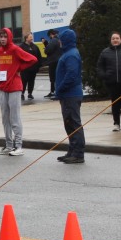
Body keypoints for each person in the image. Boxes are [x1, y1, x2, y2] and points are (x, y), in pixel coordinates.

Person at [0, 27, 38, 156]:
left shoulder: (15, 49)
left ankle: (18, 146)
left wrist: (19, 68)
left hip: (14, 87)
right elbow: (1, 64)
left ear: (9, 37)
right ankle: (8, 145)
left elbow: (33, 59)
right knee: (5, 118)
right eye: (1, 37)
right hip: (2, 87)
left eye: (5, 36)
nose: (3, 39)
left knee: (14, 117)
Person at [54, 28, 85, 164]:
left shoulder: (71, 55)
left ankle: (78, 153)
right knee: (69, 124)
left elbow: (71, 75)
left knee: (74, 123)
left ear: (65, 40)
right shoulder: (68, 53)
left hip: (71, 94)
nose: (59, 42)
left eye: (60, 39)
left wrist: (60, 89)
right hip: (67, 95)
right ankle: (72, 150)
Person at [19, 33, 42, 101]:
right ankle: (22, 93)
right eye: (30, 37)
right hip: (24, 68)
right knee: (23, 81)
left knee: (31, 81)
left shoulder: (35, 46)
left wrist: (38, 66)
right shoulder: (21, 47)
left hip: (33, 68)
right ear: (26, 38)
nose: (32, 38)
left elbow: (39, 57)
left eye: (32, 37)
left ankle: (30, 93)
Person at [43, 29, 61, 98]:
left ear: (51, 34)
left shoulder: (53, 40)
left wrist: (45, 46)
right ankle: (55, 91)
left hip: (53, 61)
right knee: (57, 77)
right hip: (58, 60)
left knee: (52, 77)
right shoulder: (59, 40)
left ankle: (53, 92)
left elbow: (47, 50)